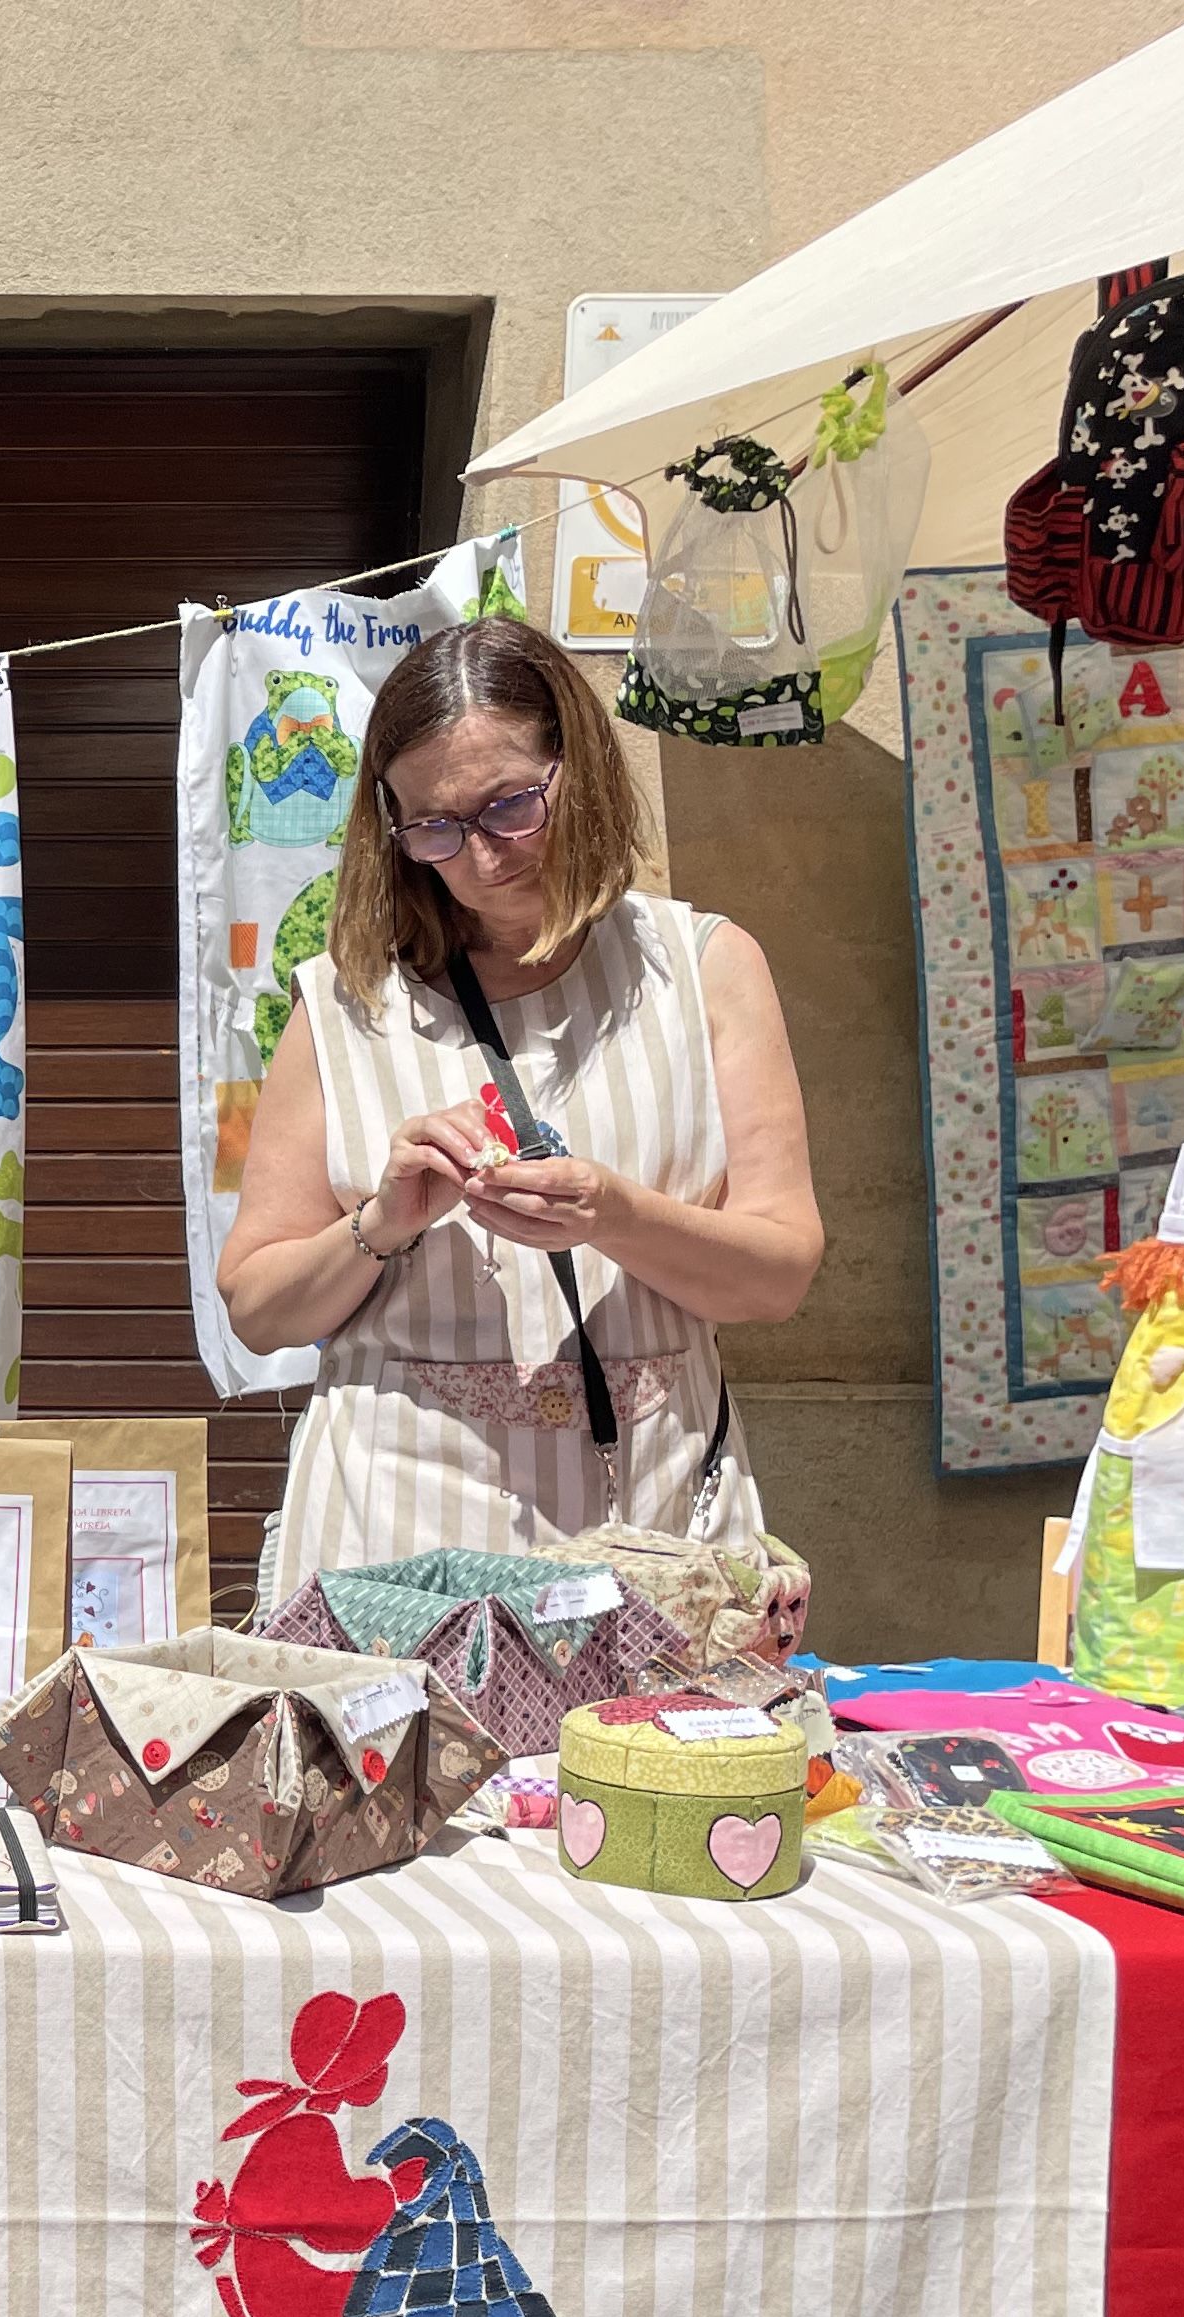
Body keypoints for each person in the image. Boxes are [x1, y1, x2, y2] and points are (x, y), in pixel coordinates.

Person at [215, 616, 821, 1613]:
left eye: (507, 807)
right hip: (396, 1541)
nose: (480, 856)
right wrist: (382, 1224)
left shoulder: (706, 969)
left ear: (573, 767)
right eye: (433, 827)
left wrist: (614, 1216)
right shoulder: (341, 1003)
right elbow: (260, 1306)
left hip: (654, 1534)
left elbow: (779, 1273)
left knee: (641, 1775)